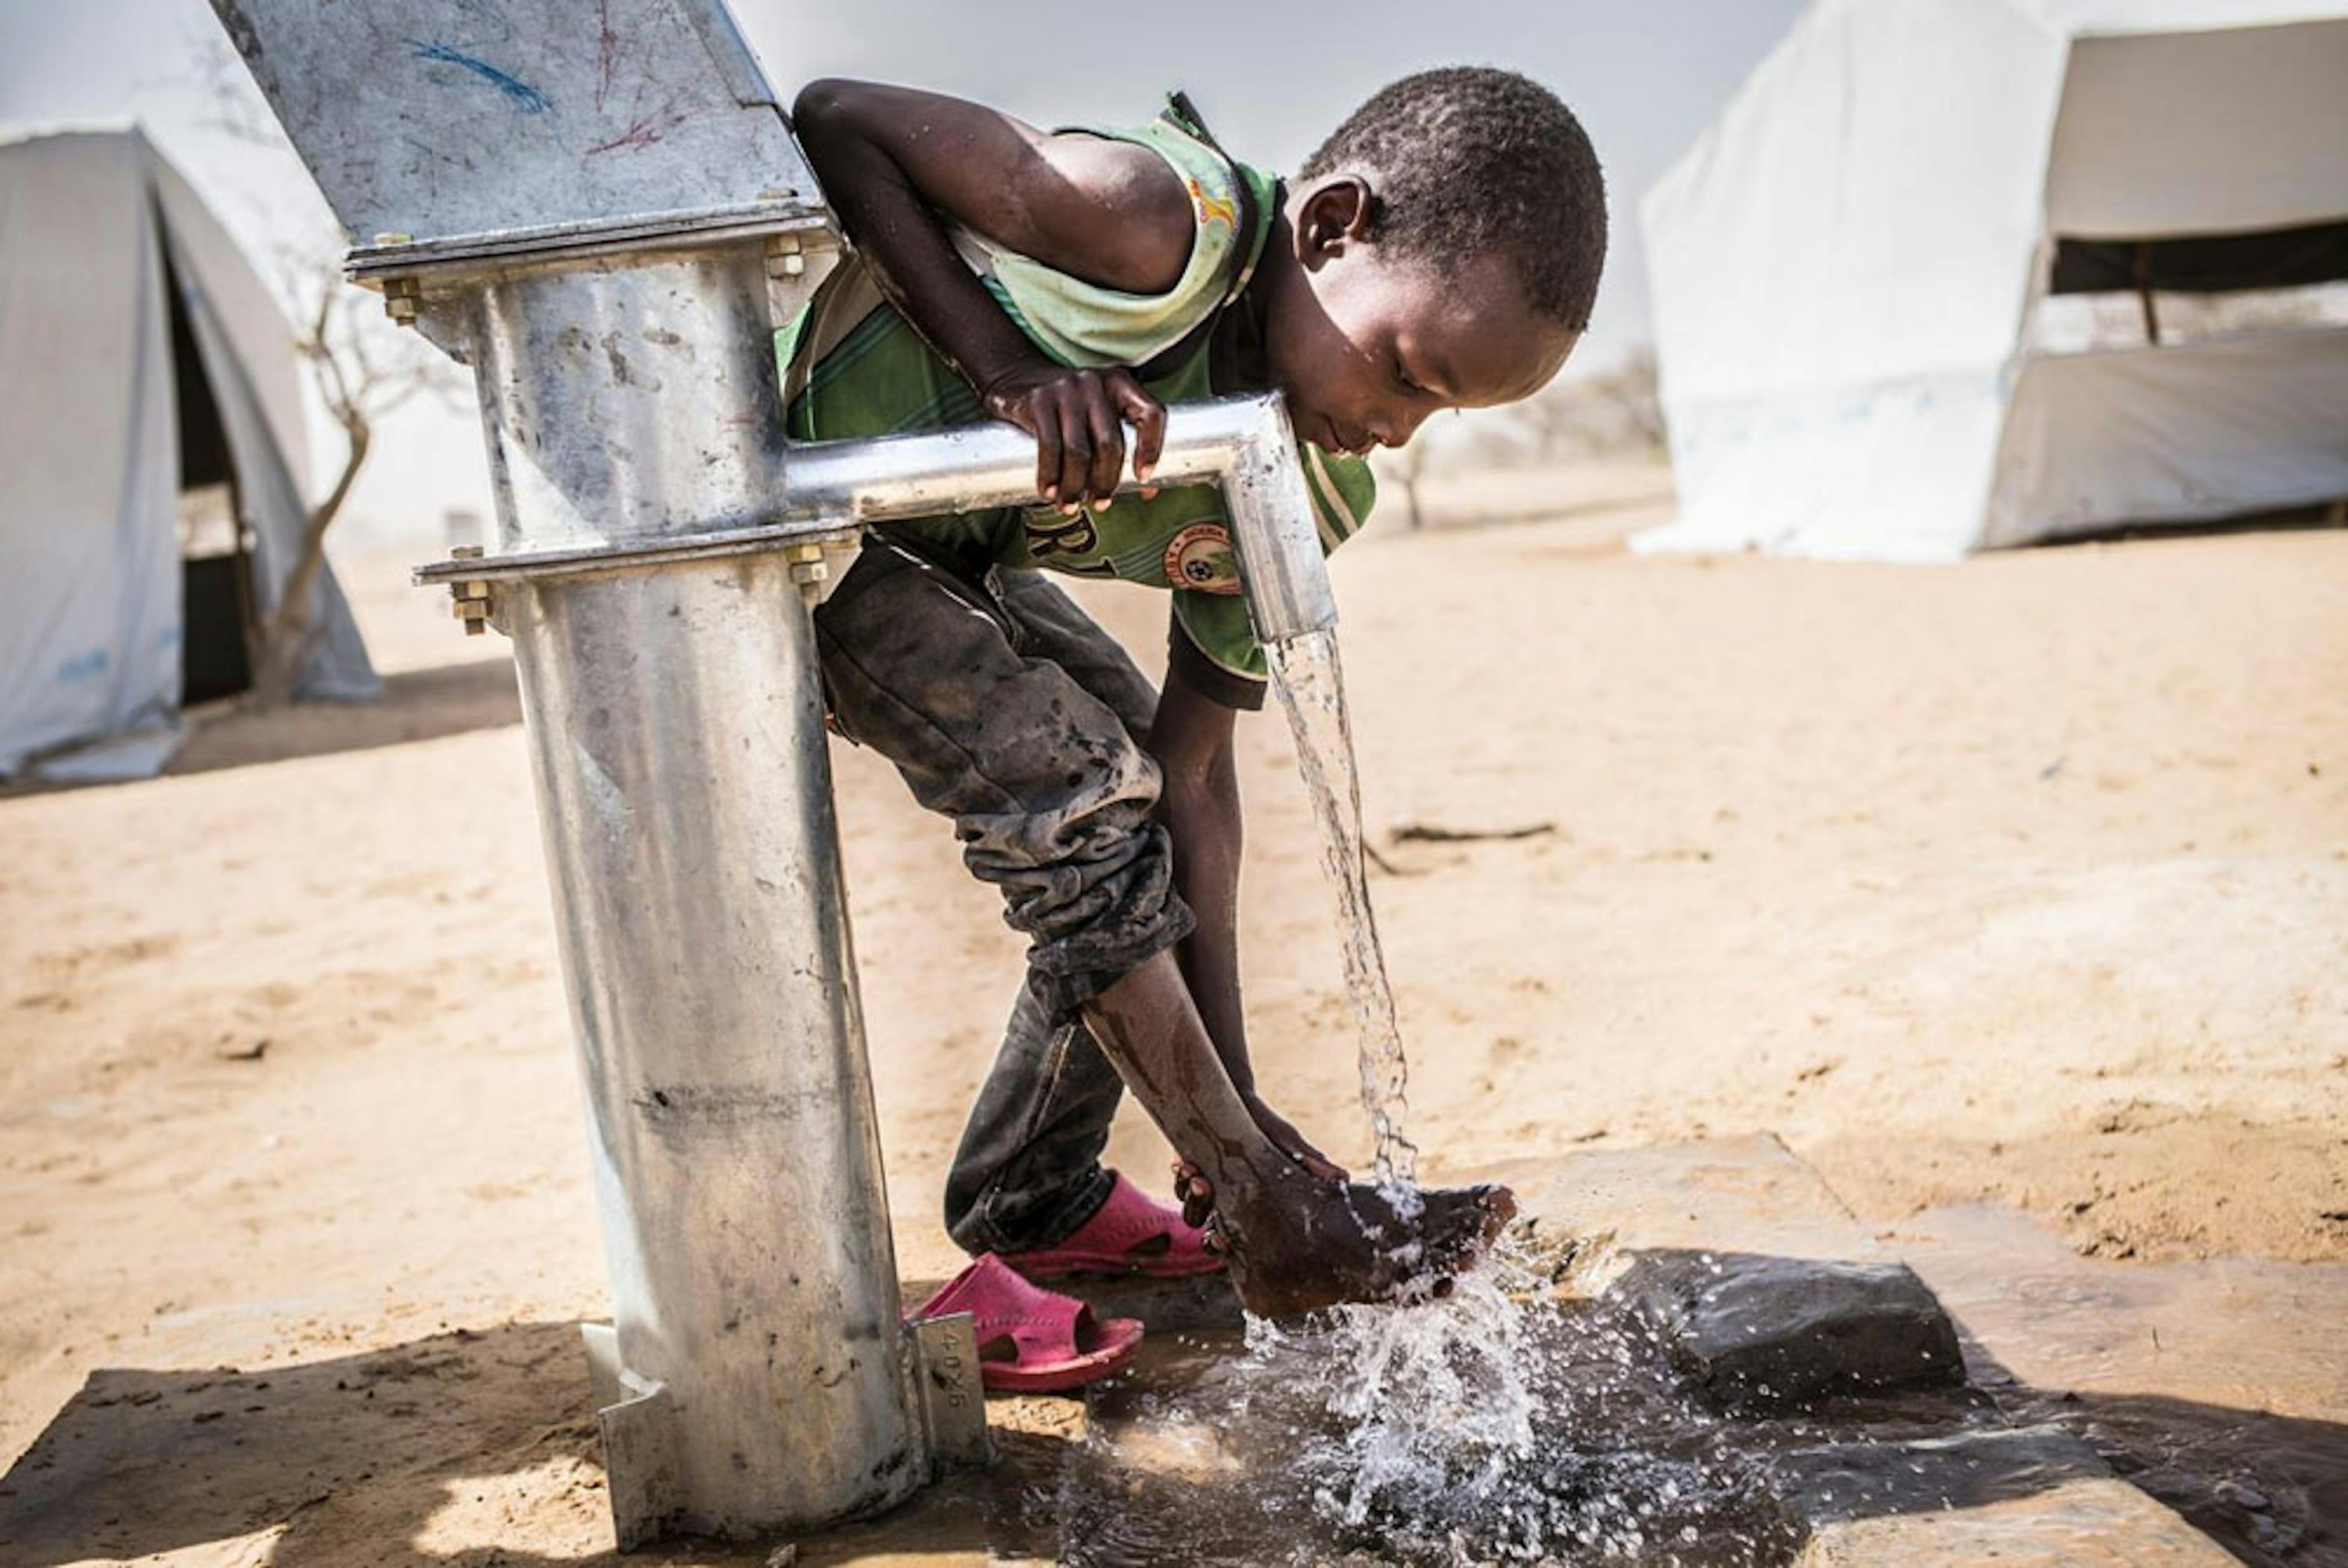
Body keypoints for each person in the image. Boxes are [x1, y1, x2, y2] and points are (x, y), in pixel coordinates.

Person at [785, 68, 1605, 1328]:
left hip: (930, 559)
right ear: (1331, 229)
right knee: (1073, 791)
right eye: (1403, 369)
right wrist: (1006, 370)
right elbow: (839, 116)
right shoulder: (1148, 225)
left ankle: (1056, 1194)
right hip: (782, 529)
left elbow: (1202, 775)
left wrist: (1239, 1103)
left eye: (1439, 413)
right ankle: (1270, 1210)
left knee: (1137, 777)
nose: (1395, 428)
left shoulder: (1300, 487)